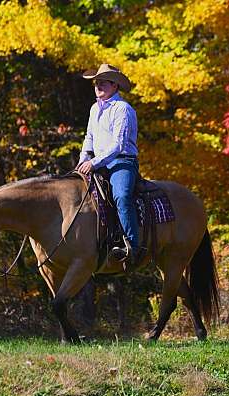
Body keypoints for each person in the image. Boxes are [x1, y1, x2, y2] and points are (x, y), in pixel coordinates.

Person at [76, 64, 141, 270]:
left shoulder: (123, 109)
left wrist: (93, 162)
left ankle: (133, 245)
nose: (98, 85)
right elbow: (89, 137)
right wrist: (82, 158)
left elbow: (117, 145)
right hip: (97, 162)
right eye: (96, 82)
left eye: (103, 82)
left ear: (115, 85)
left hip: (121, 162)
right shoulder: (94, 108)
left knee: (121, 195)